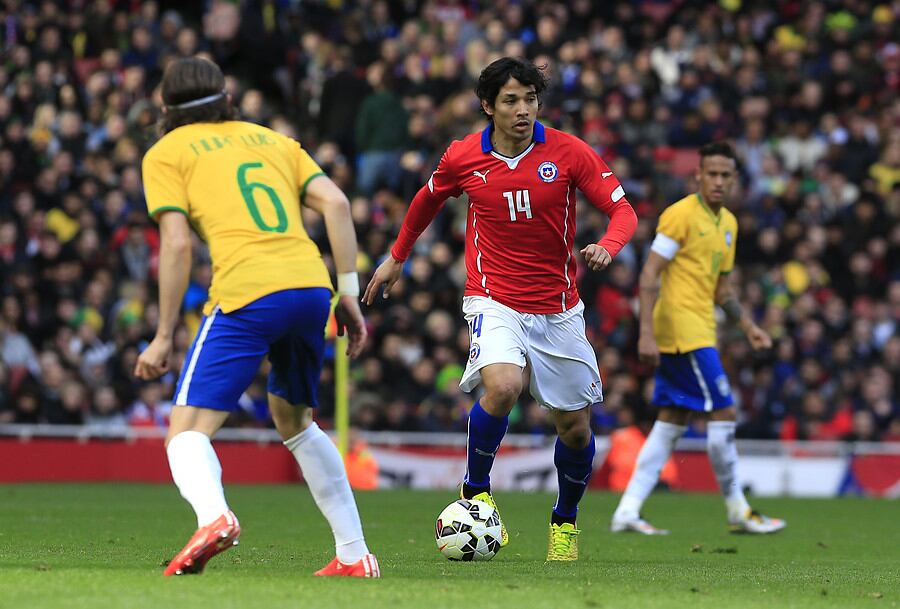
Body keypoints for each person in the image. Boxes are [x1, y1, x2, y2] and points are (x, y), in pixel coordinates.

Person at [364, 57, 637, 561]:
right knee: (504, 385)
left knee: (576, 429)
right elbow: (427, 200)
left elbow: (623, 210)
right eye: (511, 100)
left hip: (558, 308)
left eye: (530, 99)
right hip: (493, 298)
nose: (523, 110)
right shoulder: (463, 156)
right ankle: (477, 492)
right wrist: (397, 257)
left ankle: (565, 522)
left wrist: (609, 245)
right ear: (488, 106)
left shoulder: (568, 151)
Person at [135, 57, 380, 578]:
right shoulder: (272, 140)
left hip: (247, 291)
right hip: (310, 288)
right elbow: (337, 204)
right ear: (227, 100)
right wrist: (348, 293)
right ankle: (354, 555)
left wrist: (162, 335)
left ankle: (214, 517)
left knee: (186, 433)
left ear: (165, 108)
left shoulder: (166, 152)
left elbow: (176, 243)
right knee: (297, 422)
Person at [610, 141, 786, 535]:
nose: (719, 181)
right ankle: (738, 509)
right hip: (680, 329)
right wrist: (646, 334)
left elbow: (722, 290)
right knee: (724, 412)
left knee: (671, 420)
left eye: (726, 175)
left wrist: (749, 327)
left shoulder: (729, 225)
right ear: (699, 176)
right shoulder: (681, 216)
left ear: (734, 179)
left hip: (701, 326)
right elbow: (650, 273)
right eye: (712, 174)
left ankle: (627, 510)